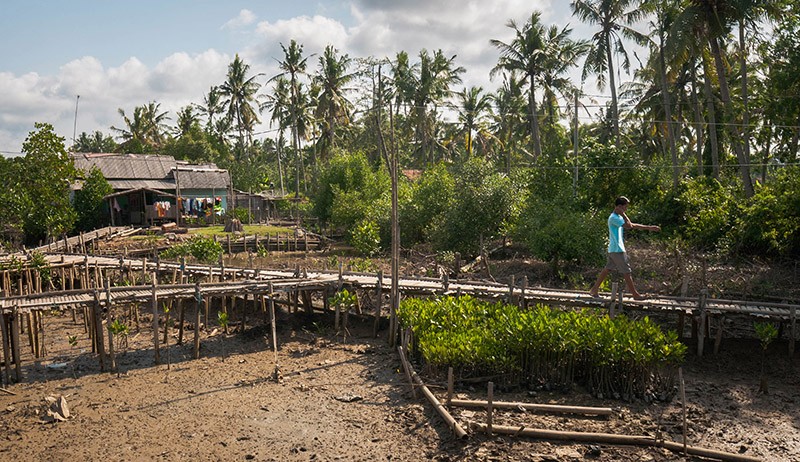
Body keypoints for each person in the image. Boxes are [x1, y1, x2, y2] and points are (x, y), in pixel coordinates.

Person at [588, 196, 660, 300]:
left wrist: (649, 228)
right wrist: (623, 214)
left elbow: (632, 225)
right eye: (625, 207)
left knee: (607, 269)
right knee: (626, 271)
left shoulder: (618, 217)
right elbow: (629, 226)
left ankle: (594, 290)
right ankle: (635, 295)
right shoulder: (614, 218)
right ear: (620, 206)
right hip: (617, 249)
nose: (626, 209)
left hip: (614, 248)